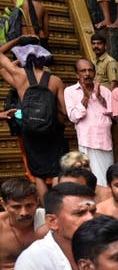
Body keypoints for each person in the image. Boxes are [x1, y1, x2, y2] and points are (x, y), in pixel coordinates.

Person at [0, 37, 68, 201]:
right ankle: (58, 208)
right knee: (57, 171)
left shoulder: (20, 76)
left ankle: (47, 212)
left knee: (38, 174)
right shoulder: (55, 80)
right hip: (52, 131)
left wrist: (18, 40)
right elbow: (65, 111)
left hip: (30, 130)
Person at [64, 58, 113, 186]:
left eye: (90, 70)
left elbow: (113, 113)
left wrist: (99, 97)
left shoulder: (105, 91)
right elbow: (73, 117)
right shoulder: (69, 91)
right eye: (83, 71)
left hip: (105, 141)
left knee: (107, 178)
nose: (87, 74)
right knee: (92, 179)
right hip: (87, 141)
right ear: (77, 74)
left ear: (94, 73)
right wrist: (85, 98)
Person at [0, 178, 44, 270]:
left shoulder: (46, 220)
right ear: (4, 205)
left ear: (37, 201)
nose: (24, 212)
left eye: (29, 205)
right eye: (16, 207)